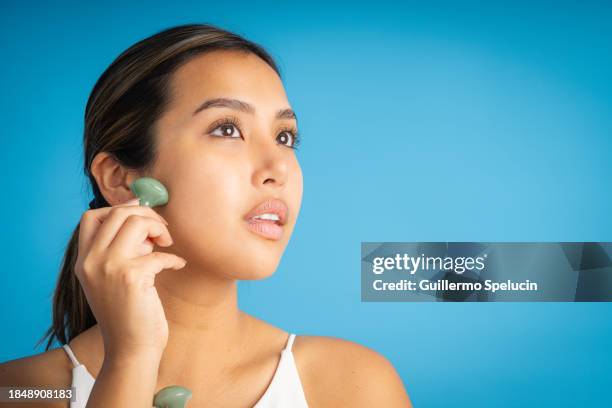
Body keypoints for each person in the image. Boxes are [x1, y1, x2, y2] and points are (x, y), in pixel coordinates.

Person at [0, 23, 412, 407]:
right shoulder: (19, 391)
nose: (279, 168)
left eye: (285, 137)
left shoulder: (352, 385)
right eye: (227, 129)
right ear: (122, 179)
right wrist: (131, 358)